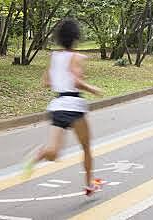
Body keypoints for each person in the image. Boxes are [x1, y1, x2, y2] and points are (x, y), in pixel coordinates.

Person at [22, 19, 105, 195]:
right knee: (86, 147)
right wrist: (93, 89)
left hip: (58, 106)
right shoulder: (77, 57)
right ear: (75, 37)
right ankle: (89, 184)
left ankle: (38, 155)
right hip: (74, 105)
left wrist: (60, 79)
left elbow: (46, 82)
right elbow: (76, 81)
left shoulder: (54, 57)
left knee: (53, 153)